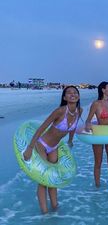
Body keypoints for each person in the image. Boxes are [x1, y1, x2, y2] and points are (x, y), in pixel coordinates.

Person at [23, 85, 82, 213]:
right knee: (43, 178)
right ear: (64, 97)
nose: (73, 94)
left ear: (78, 96)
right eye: (69, 93)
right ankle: (44, 213)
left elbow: (74, 127)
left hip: (54, 147)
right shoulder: (60, 111)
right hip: (42, 145)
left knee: (53, 177)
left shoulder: (79, 111)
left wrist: (70, 141)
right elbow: (41, 128)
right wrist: (29, 148)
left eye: (75, 92)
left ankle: (55, 208)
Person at [85, 81, 108, 189]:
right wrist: (88, 126)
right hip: (99, 135)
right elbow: (88, 120)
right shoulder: (96, 104)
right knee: (98, 162)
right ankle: (97, 187)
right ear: (103, 90)